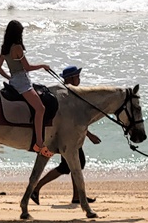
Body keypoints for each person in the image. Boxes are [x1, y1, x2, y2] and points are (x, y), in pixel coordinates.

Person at [30, 65, 101, 204]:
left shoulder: (72, 93)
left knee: (76, 164)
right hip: (66, 138)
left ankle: (76, 196)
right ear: (71, 78)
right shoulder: (67, 96)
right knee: (67, 167)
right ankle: (36, 188)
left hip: (72, 137)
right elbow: (70, 122)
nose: (79, 79)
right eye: (77, 76)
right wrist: (90, 135)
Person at [0, 19, 54, 157]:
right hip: (23, 83)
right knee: (41, 108)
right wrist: (43, 66)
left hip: (15, 81)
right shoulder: (17, 48)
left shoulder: (5, 48)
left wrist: (9, 78)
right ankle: (39, 143)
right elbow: (27, 67)